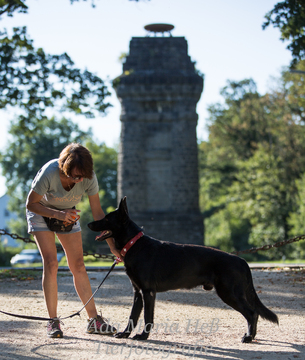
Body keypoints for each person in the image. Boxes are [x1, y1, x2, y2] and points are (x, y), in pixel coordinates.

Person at [26, 143, 120, 338]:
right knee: (51, 263)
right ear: (63, 168)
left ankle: (94, 320)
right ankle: (53, 322)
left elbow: (97, 213)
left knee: (78, 264)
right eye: (74, 176)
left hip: (67, 213)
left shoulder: (89, 177)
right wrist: (57, 214)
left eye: (82, 176)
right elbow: (31, 203)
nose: (79, 180)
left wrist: (113, 245)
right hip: (41, 211)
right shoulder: (49, 173)